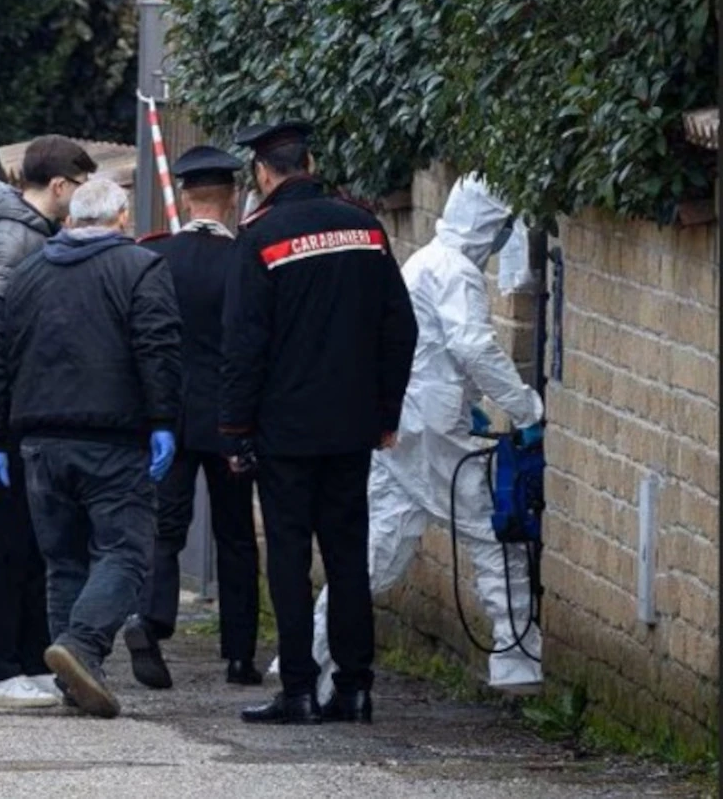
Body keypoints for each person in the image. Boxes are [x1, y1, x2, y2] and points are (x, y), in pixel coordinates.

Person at [307, 174, 545, 706]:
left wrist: (471, 406)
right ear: (488, 224)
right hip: (431, 428)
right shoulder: (457, 272)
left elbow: (425, 349)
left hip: (404, 423)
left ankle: (307, 658)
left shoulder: (425, 260)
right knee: (492, 534)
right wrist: (524, 407)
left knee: (375, 554)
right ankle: (515, 657)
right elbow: (473, 347)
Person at [220, 121, 417, 725]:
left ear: (263, 173)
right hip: (353, 425)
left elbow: (244, 345)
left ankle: (298, 689)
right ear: (310, 161)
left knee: (287, 553)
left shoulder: (261, 237)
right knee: (348, 553)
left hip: (285, 430)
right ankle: (355, 687)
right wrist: (386, 413)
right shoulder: (366, 227)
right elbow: (399, 328)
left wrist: (235, 431)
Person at [0, 177, 181, 719]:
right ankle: (82, 646)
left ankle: (74, 681)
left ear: (71, 220)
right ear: (122, 216)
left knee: (62, 560)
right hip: (111, 439)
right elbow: (157, 348)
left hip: (38, 442)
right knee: (126, 554)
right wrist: (163, 419)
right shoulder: (141, 268)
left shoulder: (28, 273)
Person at [0, 135, 98, 709]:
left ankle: (27, 657)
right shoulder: (11, 236)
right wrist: (5, 412)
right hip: (9, 414)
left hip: (29, 411)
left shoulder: (35, 235)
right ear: (59, 186)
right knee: (2, 542)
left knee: (34, 541)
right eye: (80, 188)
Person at [124, 145, 261, 690]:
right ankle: (238, 654)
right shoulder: (246, 261)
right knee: (235, 537)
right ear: (231, 199)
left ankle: (152, 624)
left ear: (184, 197)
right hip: (231, 419)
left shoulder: (156, 257)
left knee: (164, 529)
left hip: (171, 418)